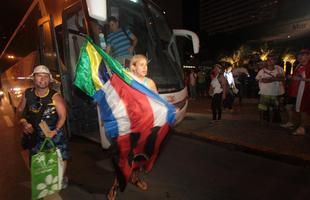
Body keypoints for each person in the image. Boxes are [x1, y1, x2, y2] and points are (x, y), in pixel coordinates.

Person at [107, 54, 155, 200]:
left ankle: (134, 178)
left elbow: (157, 103)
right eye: (141, 65)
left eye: (146, 65)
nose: (145, 68)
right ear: (133, 67)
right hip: (126, 126)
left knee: (138, 156)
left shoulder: (150, 83)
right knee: (123, 158)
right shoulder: (126, 81)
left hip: (144, 126)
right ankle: (115, 186)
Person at [17, 65, 69, 186]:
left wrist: (55, 131)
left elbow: (63, 116)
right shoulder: (28, 94)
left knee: (61, 156)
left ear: (49, 80)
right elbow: (20, 111)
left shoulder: (55, 96)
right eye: (39, 76)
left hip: (54, 131)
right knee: (37, 157)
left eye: (45, 76)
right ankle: (45, 179)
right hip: (35, 132)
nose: (42, 79)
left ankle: (61, 179)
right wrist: (24, 123)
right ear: (33, 78)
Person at [256, 55, 285, 124]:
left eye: (272, 60)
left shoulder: (279, 69)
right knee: (262, 107)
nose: (270, 61)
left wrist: (270, 79)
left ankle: (270, 122)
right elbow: (263, 80)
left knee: (272, 108)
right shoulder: (262, 71)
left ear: (275, 61)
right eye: (268, 60)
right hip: (264, 91)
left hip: (275, 92)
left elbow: (282, 78)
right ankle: (261, 121)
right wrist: (275, 79)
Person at [294, 48, 310, 135]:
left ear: (308, 56)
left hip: (307, 90)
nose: (300, 56)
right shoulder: (300, 66)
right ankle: (302, 126)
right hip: (302, 88)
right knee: (301, 108)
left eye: (303, 55)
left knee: (304, 109)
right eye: (299, 55)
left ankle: (302, 128)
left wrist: (302, 79)